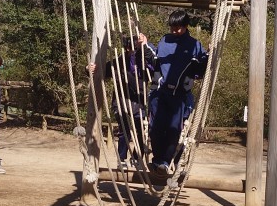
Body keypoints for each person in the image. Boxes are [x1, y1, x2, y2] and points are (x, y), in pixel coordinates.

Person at [149, 10, 208, 174]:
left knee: (174, 129)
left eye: (178, 28)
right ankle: (157, 160)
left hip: (180, 95)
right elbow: (153, 60)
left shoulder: (194, 45)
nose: (174, 31)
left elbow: (201, 69)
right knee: (155, 128)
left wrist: (209, 55)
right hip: (160, 93)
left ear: (186, 26)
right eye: (172, 28)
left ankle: (166, 162)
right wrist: (144, 45)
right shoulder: (164, 41)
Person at [88, 33, 155, 165]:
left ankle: (137, 158)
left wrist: (144, 47)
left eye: (134, 48)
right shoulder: (119, 62)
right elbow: (102, 70)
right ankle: (122, 158)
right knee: (124, 130)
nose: (131, 51)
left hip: (138, 103)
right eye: (129, 48)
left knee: (142, 131)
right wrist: (89, 69)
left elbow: (154, 69)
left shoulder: (144, 62)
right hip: (120, 102)